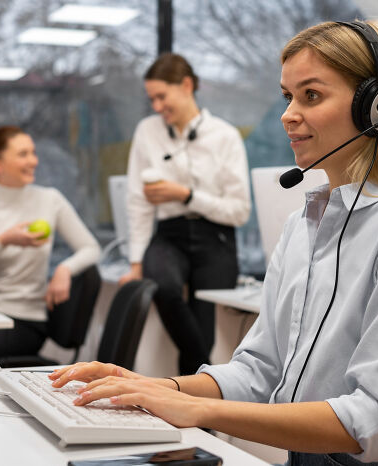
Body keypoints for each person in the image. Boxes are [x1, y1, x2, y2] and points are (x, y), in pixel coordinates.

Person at [49, 19, 378, 465]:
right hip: (307, 452)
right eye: (287, 96)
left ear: (377, 107)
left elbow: (371, 419)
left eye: (311, 95)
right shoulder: (302, 226)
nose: (288, 114)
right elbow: (259, 371)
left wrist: (195, 410)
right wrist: (150, 386)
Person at [118, 53, 251, 375]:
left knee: (204, 327)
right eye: (152, 98)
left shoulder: (225, 135)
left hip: (216, 236)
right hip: (169, 235)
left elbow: (239, 211)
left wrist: (186, 195)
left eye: (162, 96)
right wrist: (136, 263)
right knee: (161, 286)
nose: (157, 106)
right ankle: (202, 374)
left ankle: (192, 412)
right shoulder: (147, 131)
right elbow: (137, 201)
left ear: (187, 85)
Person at [0, 126, 101, 362]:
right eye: (23, 154)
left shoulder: (50, 200)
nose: (34, 161)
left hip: (24, 320)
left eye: (33, 152)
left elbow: (91, 249)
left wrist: (64, 269)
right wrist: (3, 240)